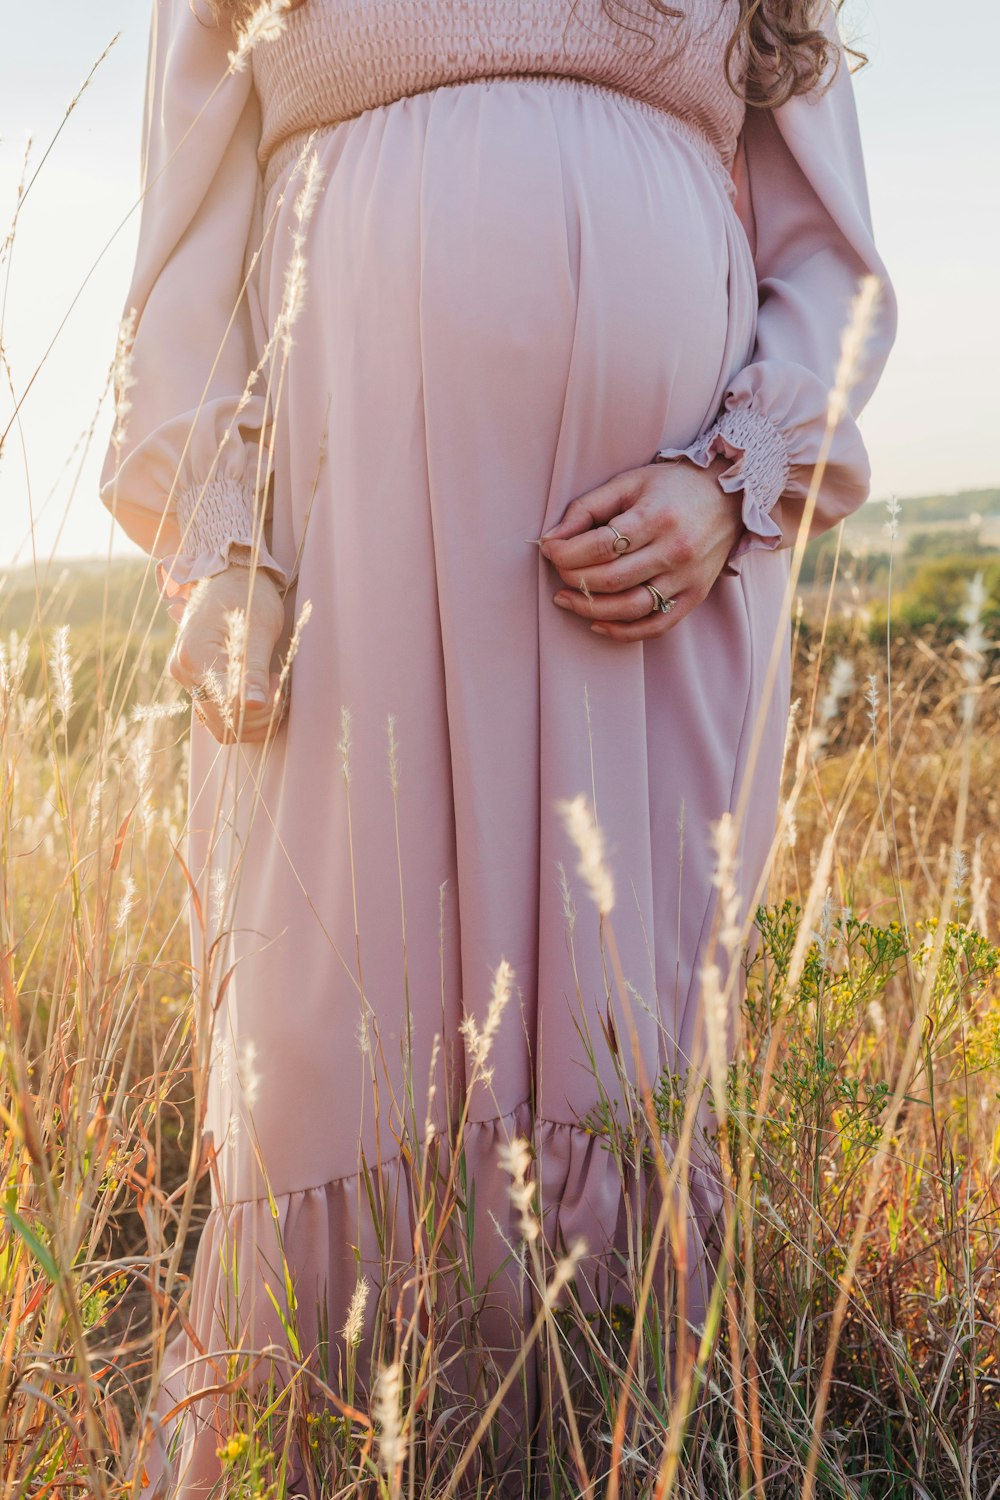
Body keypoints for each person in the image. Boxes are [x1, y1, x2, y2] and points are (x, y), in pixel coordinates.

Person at [99, 0, 896, 1491]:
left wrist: (732, 484)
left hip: (656, 585)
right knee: (326, 1042)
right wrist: (212, 546)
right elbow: (189, 233)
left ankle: (625, 1451)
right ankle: (314, 1459)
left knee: (621, 1042)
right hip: (333, 570)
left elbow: (828, 267)